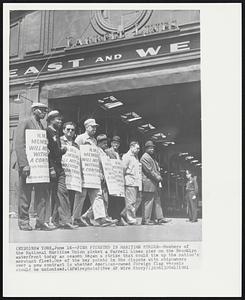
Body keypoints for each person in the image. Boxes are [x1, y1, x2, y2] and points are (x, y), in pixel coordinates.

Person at [15, 102, 53, 231]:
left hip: (39, 166)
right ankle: (23, 221)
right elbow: (19, 144)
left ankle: (40, 222)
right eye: (42, 110)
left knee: (41, 193)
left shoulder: (42, 126)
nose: (44, 113)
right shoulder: (25, 122)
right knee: (25, 194)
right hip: (28, 165)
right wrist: (24, 164)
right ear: (34, 110)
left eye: (45, 111)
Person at [72, 118, 112, 227]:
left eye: (95, 127)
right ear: (86, 127)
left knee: (97, 194)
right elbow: (74, 153)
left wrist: (100, 171)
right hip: (83, 171)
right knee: (81, 195)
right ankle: (75, 218)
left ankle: (100, 218)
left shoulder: (94, 141)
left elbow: (96, 157)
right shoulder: (80, 138)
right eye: (92, 127)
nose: (94, 129)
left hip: (93, 172)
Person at [46, 110, 78, 229]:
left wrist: (62, 151)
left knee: (62, 193)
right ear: (51, 120)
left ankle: (65, 220)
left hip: (60, 168)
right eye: (57, 119)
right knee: (54, 194)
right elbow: (46, 152)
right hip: (52, 168)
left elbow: (56, 152)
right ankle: (54, 220)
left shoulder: (56, 133)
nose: (60, 121)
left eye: (60, 119)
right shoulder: (47, 132)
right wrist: (50, 168)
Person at [82, 134, 117, 226]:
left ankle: (87, 216)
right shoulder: (96, 151)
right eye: (104, 143)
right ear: (99, 143)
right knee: (99, 197)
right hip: (97, 176)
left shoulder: (104, 152)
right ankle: (101, 218)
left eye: (106, 143)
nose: (106, 145)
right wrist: (100, 173)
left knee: (103, 198)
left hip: (105, 178)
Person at [140, 141, 171, 225]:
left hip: (154, 183)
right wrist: (158, 177)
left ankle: (160, 218)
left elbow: (155, 169)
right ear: (146, 149)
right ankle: (145, 220)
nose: (152, 149)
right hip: (149, 183)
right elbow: (149, 171)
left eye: (153, 147)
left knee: (157, 200)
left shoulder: (151, 157)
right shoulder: (144, 157)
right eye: (150, 148)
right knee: (148, 201)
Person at [120, 141, 142, 225]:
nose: (138, 150)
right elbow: (123, 169)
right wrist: (122, 181)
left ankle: (124, 213)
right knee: (131, 202)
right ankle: (131, 219)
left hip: (136, 181)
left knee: (138, 200)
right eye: (137, 148)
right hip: (130, 181)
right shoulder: (127, 156)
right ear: (131, 147)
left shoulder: (136, 157)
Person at [60, 121, 79, 213]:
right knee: (61, 195)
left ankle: (69, 217)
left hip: (72, 173)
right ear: (63, 130)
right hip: (61, 172)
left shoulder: (76, 145)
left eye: (72, 130)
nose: (70, 131)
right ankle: (58, 218)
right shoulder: (59, 141)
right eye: (68, 129)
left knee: (71, 194)